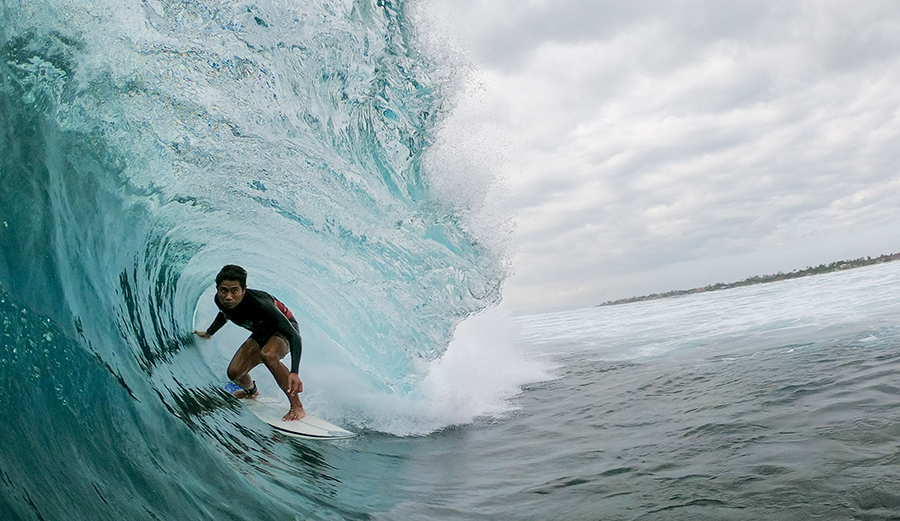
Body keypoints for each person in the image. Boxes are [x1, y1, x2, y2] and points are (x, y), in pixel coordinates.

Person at [193, 265, 305, 421]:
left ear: (244, 289)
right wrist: (209, 333)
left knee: (268, 355)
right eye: (223, 290)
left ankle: (297, 406)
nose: (228, 297)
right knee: (234, 372)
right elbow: (225, 314)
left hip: (285, 330)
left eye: (234, 291)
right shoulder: (220, 300)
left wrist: (294, 372)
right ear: (217, 289)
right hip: (263, 332)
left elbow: (295, 337)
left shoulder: (262, 305)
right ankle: (251, 392)